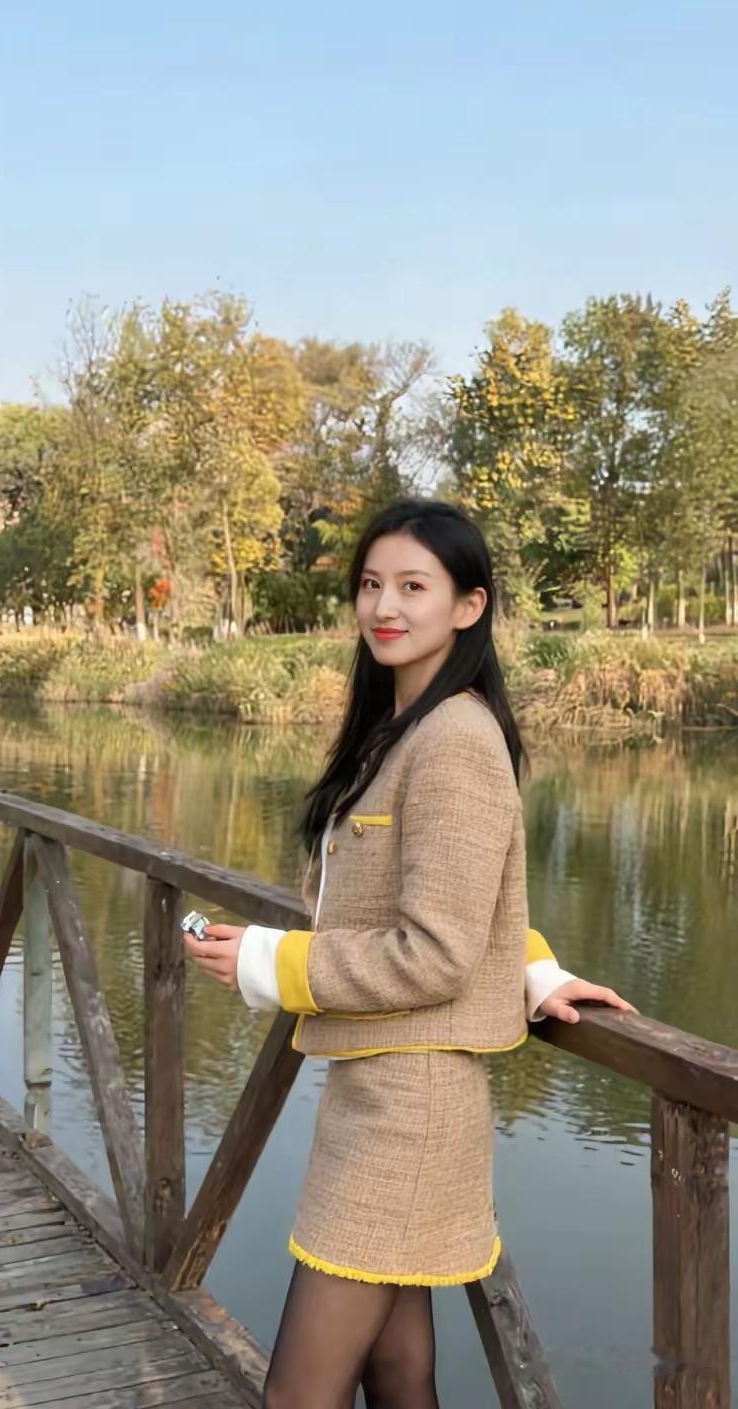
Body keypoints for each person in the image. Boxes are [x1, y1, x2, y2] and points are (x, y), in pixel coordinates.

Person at [184, 498, 635, 1409]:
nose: (384, 606)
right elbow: (456, 898)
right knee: (398, 1374)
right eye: (370, 584)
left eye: (413, 587)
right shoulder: (398, 731)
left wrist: (272, 965)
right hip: (380, 1086)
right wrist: (531, 969)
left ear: (469, 605)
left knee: (299, 1395)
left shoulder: (457, 739)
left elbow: (435, 949)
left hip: (412, 1109)